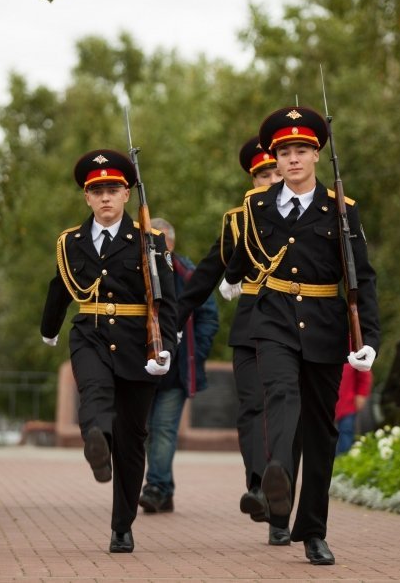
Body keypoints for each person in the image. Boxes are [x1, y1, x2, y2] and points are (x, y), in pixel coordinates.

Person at [220, 108, 380, 565]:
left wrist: (368, 337)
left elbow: (361, 277)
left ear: (315, 155)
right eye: (284, 152)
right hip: (271, 318)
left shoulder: (341, 210)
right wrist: (230, 277)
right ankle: (278, 474)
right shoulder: (258, 205)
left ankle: (312, 530)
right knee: (279, 394)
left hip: (326, 324)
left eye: (301, 151)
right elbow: (244, 254)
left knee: (321, 429)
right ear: (276, 157)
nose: (292, 159)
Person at [40, 149, 177, 554]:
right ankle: (95, 440)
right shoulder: (72, 241)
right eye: (97, 190)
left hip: (139, 340)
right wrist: (50, 329)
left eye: (113, 190)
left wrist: (165, 345)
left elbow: (167, 299)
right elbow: (60, 286)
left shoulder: (149, 241)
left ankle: (122, 525)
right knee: (94, 389)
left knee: (133, 439)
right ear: (86, 197)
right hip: (91, 332)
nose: (105, 198)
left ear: (127, 195)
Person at [174, 136, 293, 546]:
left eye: (277, 170)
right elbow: (207, 272)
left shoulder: (311, 210)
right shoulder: (238, 220)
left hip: (299, 326)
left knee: (286, 412)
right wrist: (175, 318)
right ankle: (261, 488)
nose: (272, 178)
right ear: (253, 179)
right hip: (252, 322)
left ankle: (282, 505)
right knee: (252, 409)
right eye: (264, 173)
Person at [138, 218, 219, 514]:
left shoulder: (189, 274)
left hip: (177, 372)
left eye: (158, 243)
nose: (153, 249)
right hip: (143, 369)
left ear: (170, 243)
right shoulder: (138, 272)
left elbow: (209, 317)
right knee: (146, 430)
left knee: (162, 429)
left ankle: (156, 487)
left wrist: (196, 351)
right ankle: (165, 489)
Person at [334, 363, 372, 457]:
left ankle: (343, 465)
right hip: (324, 405)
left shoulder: (353, 350)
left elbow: (364, 373)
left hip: (347, 404)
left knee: (346, 434)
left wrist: (361, 394)